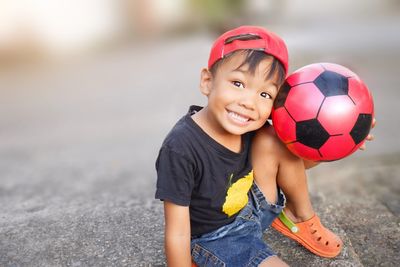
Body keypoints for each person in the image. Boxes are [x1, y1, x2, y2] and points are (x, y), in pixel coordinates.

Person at [155, 25, 374, 266]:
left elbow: (297, 164)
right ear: (207, 81)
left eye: (265, 95)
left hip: (251, 209)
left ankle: (298, 216)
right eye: (238, 83)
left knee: (273, 137)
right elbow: (177, 232)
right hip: (218, 236)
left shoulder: (253, 126)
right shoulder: (181, 147)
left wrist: (345, 140)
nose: (249, 102)